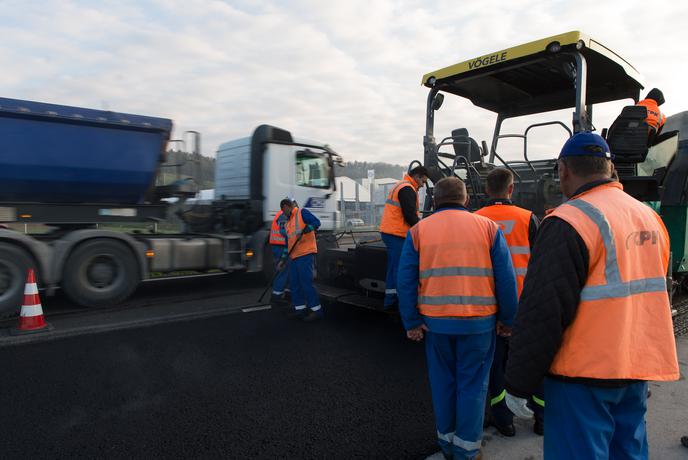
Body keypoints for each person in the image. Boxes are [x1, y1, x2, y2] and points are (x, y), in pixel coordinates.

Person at [504, 132, 679, 459]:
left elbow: (544, 311)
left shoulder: (569, 220)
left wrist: (518, 383)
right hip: (635, 368)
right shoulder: (650, 218)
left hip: (582, 378)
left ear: (564, 170)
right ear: (610, 168)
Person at [398, 177, 518, 460]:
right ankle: (466, 450)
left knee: (443, 384)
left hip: (436, 325)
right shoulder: (488, 228)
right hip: (479, 325)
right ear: (466, 200)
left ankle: (447, 443)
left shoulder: (418, 231)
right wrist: (508, 319)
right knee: (473, 386)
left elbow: (404, 281)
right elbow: (506, 279)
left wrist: (412, 322)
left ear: (435, 201)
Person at [474, 168, 543, 437]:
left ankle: (504, 421)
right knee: (536, 361)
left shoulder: (475, 220)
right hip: (525, 305)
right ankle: (542, 418)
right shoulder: (528, 219)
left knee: (496, 365)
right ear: (511, 189)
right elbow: (540, 263)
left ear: (487, 190)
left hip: (489, 306)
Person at [379, 166, 429, 310]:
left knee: (394, 267)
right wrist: (424, 228)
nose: (423, 185)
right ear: (418, 176)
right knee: (400, 269)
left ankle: (390, 300)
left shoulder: (401, 185)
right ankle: (401, 303)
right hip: (396, 234)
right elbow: (409, 216)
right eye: (423, 181)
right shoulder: (407, 189)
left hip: (391, 232)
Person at [279, 198, 323, 322]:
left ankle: (317, 311)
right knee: (295, 284)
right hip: (294, 257)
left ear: (288, 206)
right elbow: (287, 245)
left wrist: (308, 228)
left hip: (305, 254)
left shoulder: (302, 212)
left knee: (306, 283)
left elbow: (316, 222)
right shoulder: (288, 224)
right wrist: (282, 260)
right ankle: (300, 309)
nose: (283, 213)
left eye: (284, 210)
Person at [269, 206, 289, 304]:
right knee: (283, 271)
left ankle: (285, 293)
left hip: (276, 245)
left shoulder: (279, 213)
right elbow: (286, 233)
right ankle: (276, 296)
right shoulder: (284, 215)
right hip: (281, 246)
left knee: (284, 271)